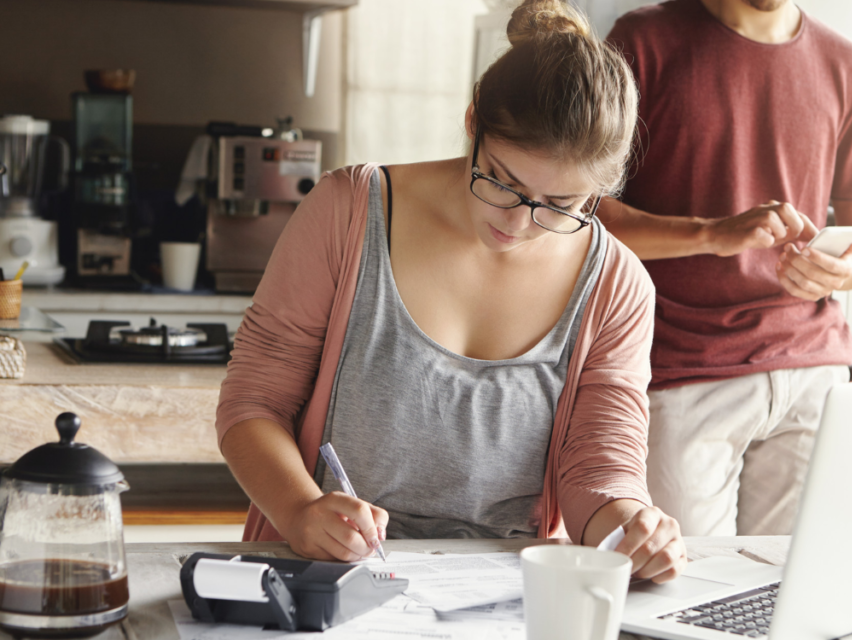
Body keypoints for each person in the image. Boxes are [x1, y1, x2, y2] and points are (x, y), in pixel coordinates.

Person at [216, 0, 686, 583]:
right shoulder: (348, 212)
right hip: (330, 576)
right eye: (503, 181)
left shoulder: (615, 284)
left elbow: (599, 465)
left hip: (503, 594)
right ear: (472, 122)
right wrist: (299, 510)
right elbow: (253, 405)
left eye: (560, 205)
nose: (517, 224)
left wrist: (631, 528)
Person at [601, 0, 852, 536]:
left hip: (813, 374)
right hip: (685, 374)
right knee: (683, 595)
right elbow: (590, 214)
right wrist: (710, 233)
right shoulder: (641, 43)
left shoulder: (847, 65)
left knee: (793, 595)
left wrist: (842, 271)